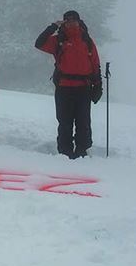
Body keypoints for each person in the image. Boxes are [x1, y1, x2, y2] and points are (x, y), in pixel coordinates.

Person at [35, 10, 102, 159]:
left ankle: (82, 151)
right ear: (64, 22)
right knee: (65, 122)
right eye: (67, 20)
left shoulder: (87, 41)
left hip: (83, 87)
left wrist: (98, 86)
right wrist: (53, 26)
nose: (71, 23)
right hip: (64, 87)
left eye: (73, 20)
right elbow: (38, 43)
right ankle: (65, 153)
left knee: (83, 122)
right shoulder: (58, 40)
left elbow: (95, 64)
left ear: (79, 21)